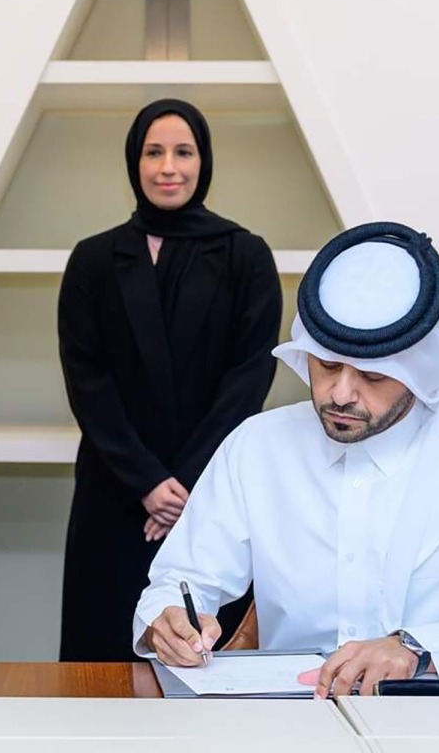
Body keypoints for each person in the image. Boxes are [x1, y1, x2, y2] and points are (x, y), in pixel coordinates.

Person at [135, 222, 439, 696]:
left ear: (422, 369)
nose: (340, 393)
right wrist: (167, 621)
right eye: (326, 365)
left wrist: (419, 649)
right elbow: (182, 580)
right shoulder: (258, 448)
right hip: (290, 726)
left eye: (372, 375)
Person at [58, 98, 283, 662]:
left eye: (183, 152)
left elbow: (250, 376)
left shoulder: (247, 256)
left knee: (206, 650)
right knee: (101, 653)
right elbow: (88, 381)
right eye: (153, 152)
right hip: (115, 490)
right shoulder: (93, 259)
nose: (168, 167)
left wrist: (184, 486)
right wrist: (148, 483)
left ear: (203, 160)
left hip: (212, 491)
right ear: (134, 161)